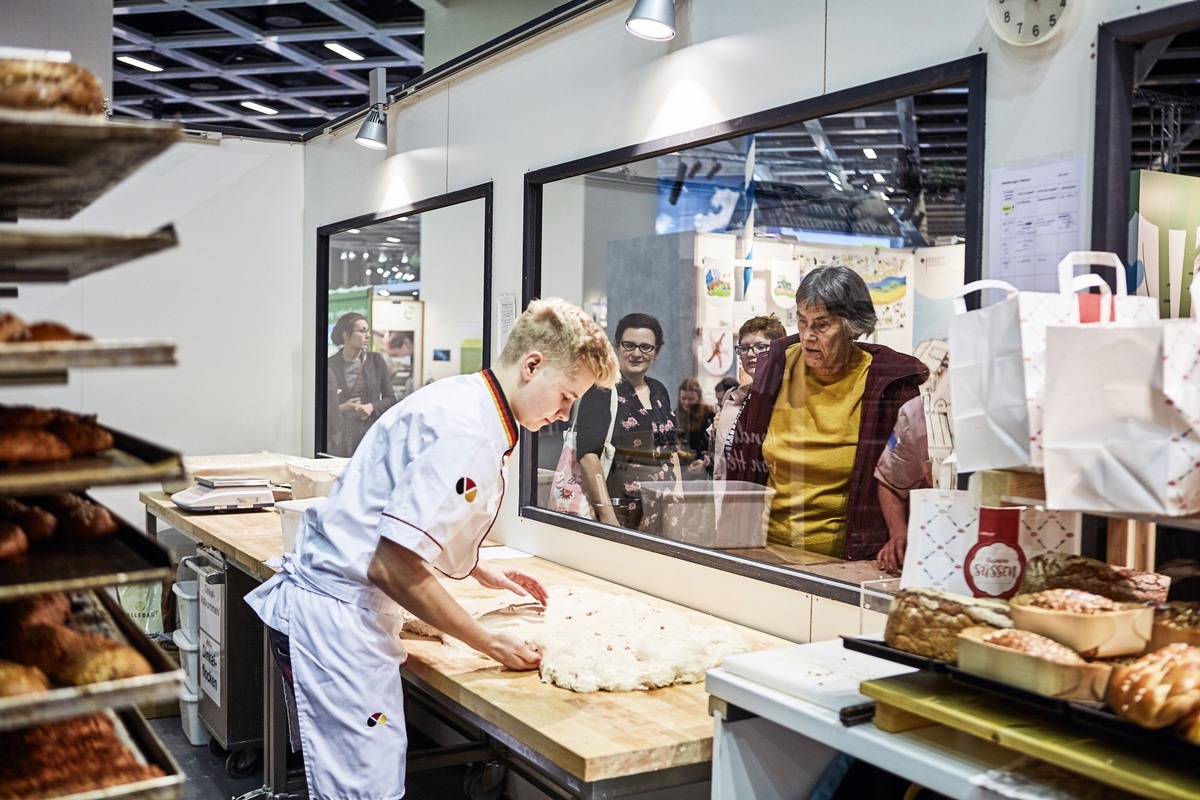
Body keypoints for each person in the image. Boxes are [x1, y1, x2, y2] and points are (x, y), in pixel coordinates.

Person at [246, 298, 619, 800]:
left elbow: (408, 515)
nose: (564, 413)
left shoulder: (466, 399)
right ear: (533, 366)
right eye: (567, 395)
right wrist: (487, 641)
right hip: (341, 623)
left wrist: (475, 565)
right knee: (364, 792)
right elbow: (392, 565)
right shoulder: (468, 431)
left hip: (339, 607)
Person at [726, 267, 928, 560]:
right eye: (801, 320)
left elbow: (904, 478)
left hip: (847, 560)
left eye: (821, 325)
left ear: (852, 327)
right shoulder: (777, 367)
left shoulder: (888, 385)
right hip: (767, 549)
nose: (807, 336)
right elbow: (742, 464)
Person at [576, 312, 680, 530]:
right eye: (629, 345)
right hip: (622, 514)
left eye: (646, 347)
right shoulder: (602, 391)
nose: (636, 353)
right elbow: (588, 457)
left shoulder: (659, 391)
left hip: (663, 512)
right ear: (617, 347)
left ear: (657, 352)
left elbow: (670, 449)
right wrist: (608, 518)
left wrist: (677, 497)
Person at [710, 315, 787, 481]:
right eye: (744, 348)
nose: (751, 354)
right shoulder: (734, 397)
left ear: (778, 350)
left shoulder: (787, 398)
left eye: (760, 346)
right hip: (732, 494)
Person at [327, 312, 399, 457]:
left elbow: (391, 399)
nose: (367, 335)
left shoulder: (376, 361)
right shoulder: (330, 364)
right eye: (362, 331)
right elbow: (322, 406)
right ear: (346, 335)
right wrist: (342, 407)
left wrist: (371, 406)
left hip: (369, 433)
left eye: (367, 331)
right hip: (340, 436)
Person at [675, 377, 715, 477]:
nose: (686, 403)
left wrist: (702, 459)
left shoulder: (708, 414)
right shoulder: (677, 413)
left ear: (699, 397)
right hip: (682, 466)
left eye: (691, 399)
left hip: (701, 466)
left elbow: (709, 443)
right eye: (683, 398)